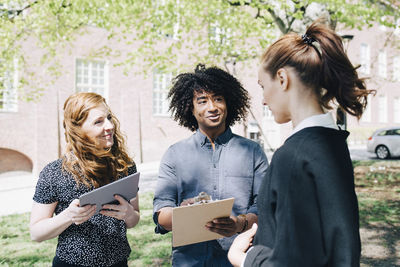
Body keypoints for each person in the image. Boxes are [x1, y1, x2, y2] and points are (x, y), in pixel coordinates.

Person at [228, 20, 374, 267]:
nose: (263, 100)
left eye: (263, 86)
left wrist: (245, 259)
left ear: (283, 79)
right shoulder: (333, 143)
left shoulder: (294, 156)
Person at [153, 64, 269, 266]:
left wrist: (239, 224)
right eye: (202, 100)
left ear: (228, 103)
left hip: (239, 259)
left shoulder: (252, 152)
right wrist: (182, 213)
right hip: (189, 261)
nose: (212, 107)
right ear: (191, 107)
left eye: (218, 98)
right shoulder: (174, 154)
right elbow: (161, 213)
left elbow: (266, 207)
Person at [30, 92, 140, 267]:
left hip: (118, 263)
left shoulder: (124, 165)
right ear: (78, 130)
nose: (110, 126)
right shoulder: (54, 172)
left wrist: (129, 214)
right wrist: (67, 216)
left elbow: (134, 219)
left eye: (109, 118)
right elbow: (36, 233)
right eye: (99, 121)